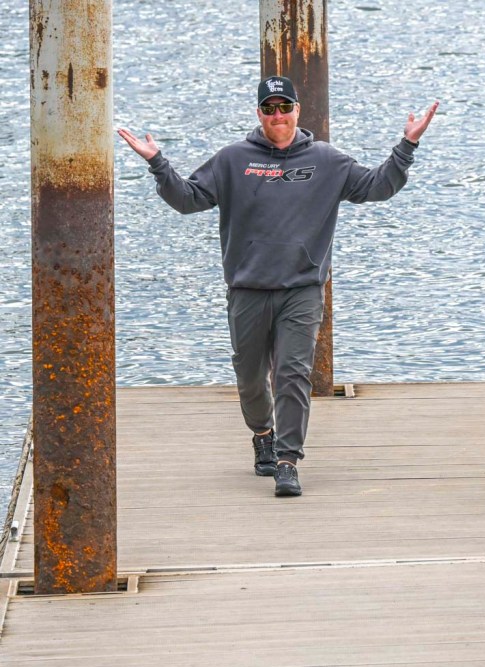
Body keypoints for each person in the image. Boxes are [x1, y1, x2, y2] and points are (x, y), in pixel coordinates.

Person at [119, 76, 438, 497]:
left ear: (297, 110)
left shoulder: (327, 160)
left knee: (292, 373)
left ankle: (288, 461)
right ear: (259, 114)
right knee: (251, 377)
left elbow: (378, 186)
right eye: (269, 109)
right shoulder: (233, 159)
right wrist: (158, 163)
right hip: (248, 289)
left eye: (284, 107)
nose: (278, 116)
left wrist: (407, 145)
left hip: (301, 289)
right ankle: (263, 434)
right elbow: (188, 200)